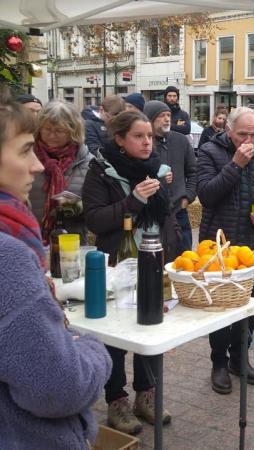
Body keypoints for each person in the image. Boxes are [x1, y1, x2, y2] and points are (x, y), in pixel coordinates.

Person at [0, 97, 112, 449]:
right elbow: (59, 387)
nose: (35, 166)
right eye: (24, 150)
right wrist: (93, 347)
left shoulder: (86, 162)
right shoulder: (9, 259)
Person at [82, 111, 178, 434]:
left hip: (153, 261)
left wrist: (173, 253)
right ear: (120, 140)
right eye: (139, 136)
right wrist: (133, 200)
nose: (147, 142)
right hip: (117, 264)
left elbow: (167, 217)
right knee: (118, 335)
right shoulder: (101, 171)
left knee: (151, 330)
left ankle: (146, 396)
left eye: (149, 136)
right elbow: (95, 220)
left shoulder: (157, 170)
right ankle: (117, 400)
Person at [197, 107, 254, 393]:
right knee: (220, 307)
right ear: (229, 130)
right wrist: (235, 165)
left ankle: (240, 358)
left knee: (249, 306)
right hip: (220, 246)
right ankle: (219, 362)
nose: (248, 140)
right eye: (242, 133)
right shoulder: (209, 151)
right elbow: (206, 194)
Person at [29, 99, 94, 242]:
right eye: (46, 129)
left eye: (59, 131)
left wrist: (78, 207)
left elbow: (97, 210)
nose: (52, 135)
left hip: (71, 244)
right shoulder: (27, 157)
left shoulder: (88, 163)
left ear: (73, 131)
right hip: (29, 240)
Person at [144, 100, 197, 254]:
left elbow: (193, 172)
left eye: (168, 115)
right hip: (152, 215)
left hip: (179, 213)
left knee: (184, 259)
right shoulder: (144, 143)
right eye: (161, 116)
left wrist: (188, 197)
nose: (167, 119)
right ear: (149, 119)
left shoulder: (181, 140)